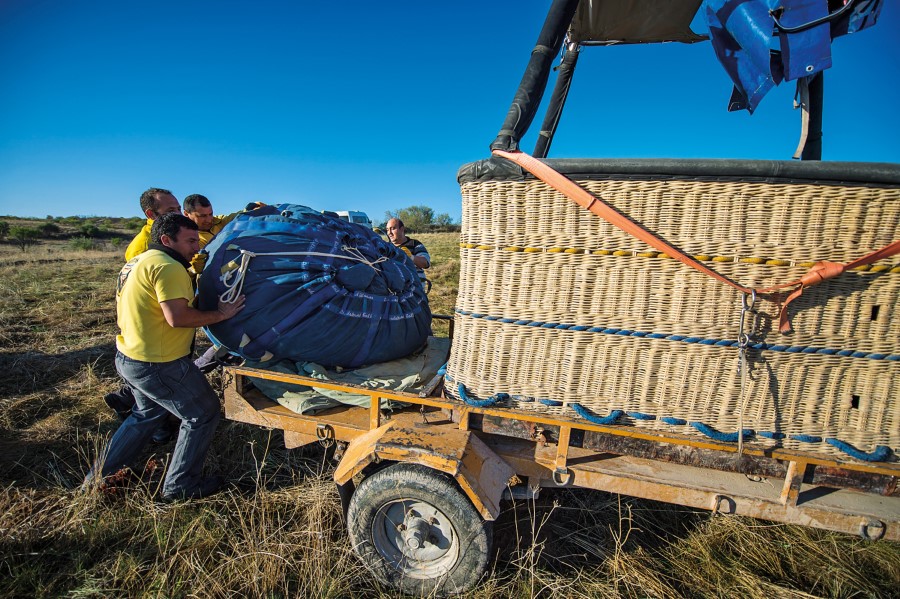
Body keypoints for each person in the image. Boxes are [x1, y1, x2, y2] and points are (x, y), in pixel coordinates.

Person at [85, 213, 246, 500]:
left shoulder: (138, 261)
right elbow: (177, 317)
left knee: (146, 413)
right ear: (166, 240)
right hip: (158, 363)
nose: (197, 247)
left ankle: (99, 475)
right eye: (190, 241)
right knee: (202, 413)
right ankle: (181, 485)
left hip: (128, 356)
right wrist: (221, 314)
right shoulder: (168, 267)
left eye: (197, 239)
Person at [124, 188, 182, 261]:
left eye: (179, 209)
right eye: (171, 210)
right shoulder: (142, 248)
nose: (179, 214)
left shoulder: (176, 232)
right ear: (151, 214)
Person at [386, 218, 430, 283]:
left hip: (415, 286)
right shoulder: (386, 247)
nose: (389, 233)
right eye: (387, 230)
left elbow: (425, 263)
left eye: (393, 229)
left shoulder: (415, 244)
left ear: (402, 229)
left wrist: (411, 257)